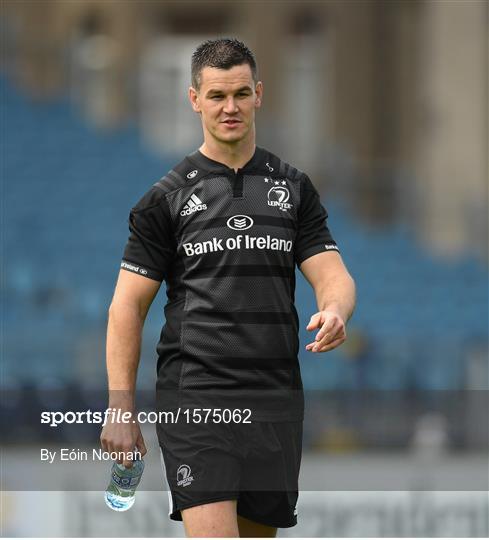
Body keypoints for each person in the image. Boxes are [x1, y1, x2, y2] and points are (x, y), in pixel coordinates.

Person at [100, 37, 356, 538]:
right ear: (194, 98)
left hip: (275, 400)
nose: (230, 107)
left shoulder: (294, 188)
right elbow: (126, 309)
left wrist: (336, 310)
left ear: (259, 93)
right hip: (197, 398)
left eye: (240, 93)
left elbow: (334, 276)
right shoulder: (165, 199)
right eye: (217, 96)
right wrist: (120, 409)